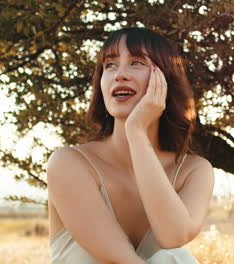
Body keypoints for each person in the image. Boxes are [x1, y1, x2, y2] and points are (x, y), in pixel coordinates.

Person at [47, 27, 214, 263]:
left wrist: (136, 132)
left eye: (136, 62)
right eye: (110, 65)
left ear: (165, 79)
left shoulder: (194, 170)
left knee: (175, 257)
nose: (120, 74)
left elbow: (173, 236)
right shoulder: (68, 163)